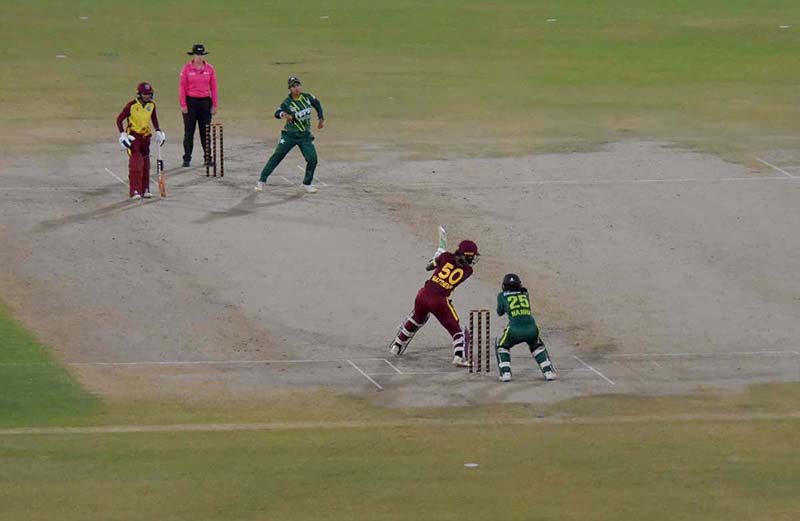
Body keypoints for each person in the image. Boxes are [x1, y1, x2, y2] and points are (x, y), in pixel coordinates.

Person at [390, 240, 480, 367]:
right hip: (440, 301)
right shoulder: (468, 271)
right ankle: (459, 357)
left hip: (423, 295)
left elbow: (428, 267)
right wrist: (441, 258)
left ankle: (397, 345)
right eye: (471, 257)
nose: (472, 260)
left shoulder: (445, 256)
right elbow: (454, 265)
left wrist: (437, 257)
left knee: (416, 319)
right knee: (458, 331)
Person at [255, 76, 324, 194]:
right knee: (277, 156)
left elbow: (317, 104)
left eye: (297, 85)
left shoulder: (307, 97)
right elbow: (277, 113)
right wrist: (284, 115)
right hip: (289, 135)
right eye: (293, 86)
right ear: (289, 89)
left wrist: (321, 118)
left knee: (312, 158)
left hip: (305, 136)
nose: (296, 88)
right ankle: (262, 181)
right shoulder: (287, 102)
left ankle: (307, 183)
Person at [495, 273, 556, 382]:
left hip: (514, 330)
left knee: (501, 346)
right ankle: (548, 372)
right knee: (537, 346)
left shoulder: (501, 295)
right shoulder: (525, 293)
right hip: (532, 328)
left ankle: (506, 373)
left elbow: (499, 312)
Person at [116, 82, 165, 200]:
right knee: (136, 164)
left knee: (146, 164)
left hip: (145, 136)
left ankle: (145, 189)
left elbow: (154, 118)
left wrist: (158, 130)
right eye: (145, 94)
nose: (148, 96)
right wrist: (122, 134)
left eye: (149, 94)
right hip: (133, 137)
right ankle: (135, 191)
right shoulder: (131, 106)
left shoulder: (151, 106)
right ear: (139, 95)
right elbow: (119, 120)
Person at [179, 43, 218, 167]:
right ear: (193, 55)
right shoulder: (186, 69)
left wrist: (214, 104)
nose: (199, 57)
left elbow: (214, 87)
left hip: (205, 102)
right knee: (189, 131)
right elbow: (182, 87)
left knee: (205, 132)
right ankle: (187, 158)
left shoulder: (210, 69)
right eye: (197, 54)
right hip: (191, 102)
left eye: (201, 54)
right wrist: (183, 104)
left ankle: (208, 157)